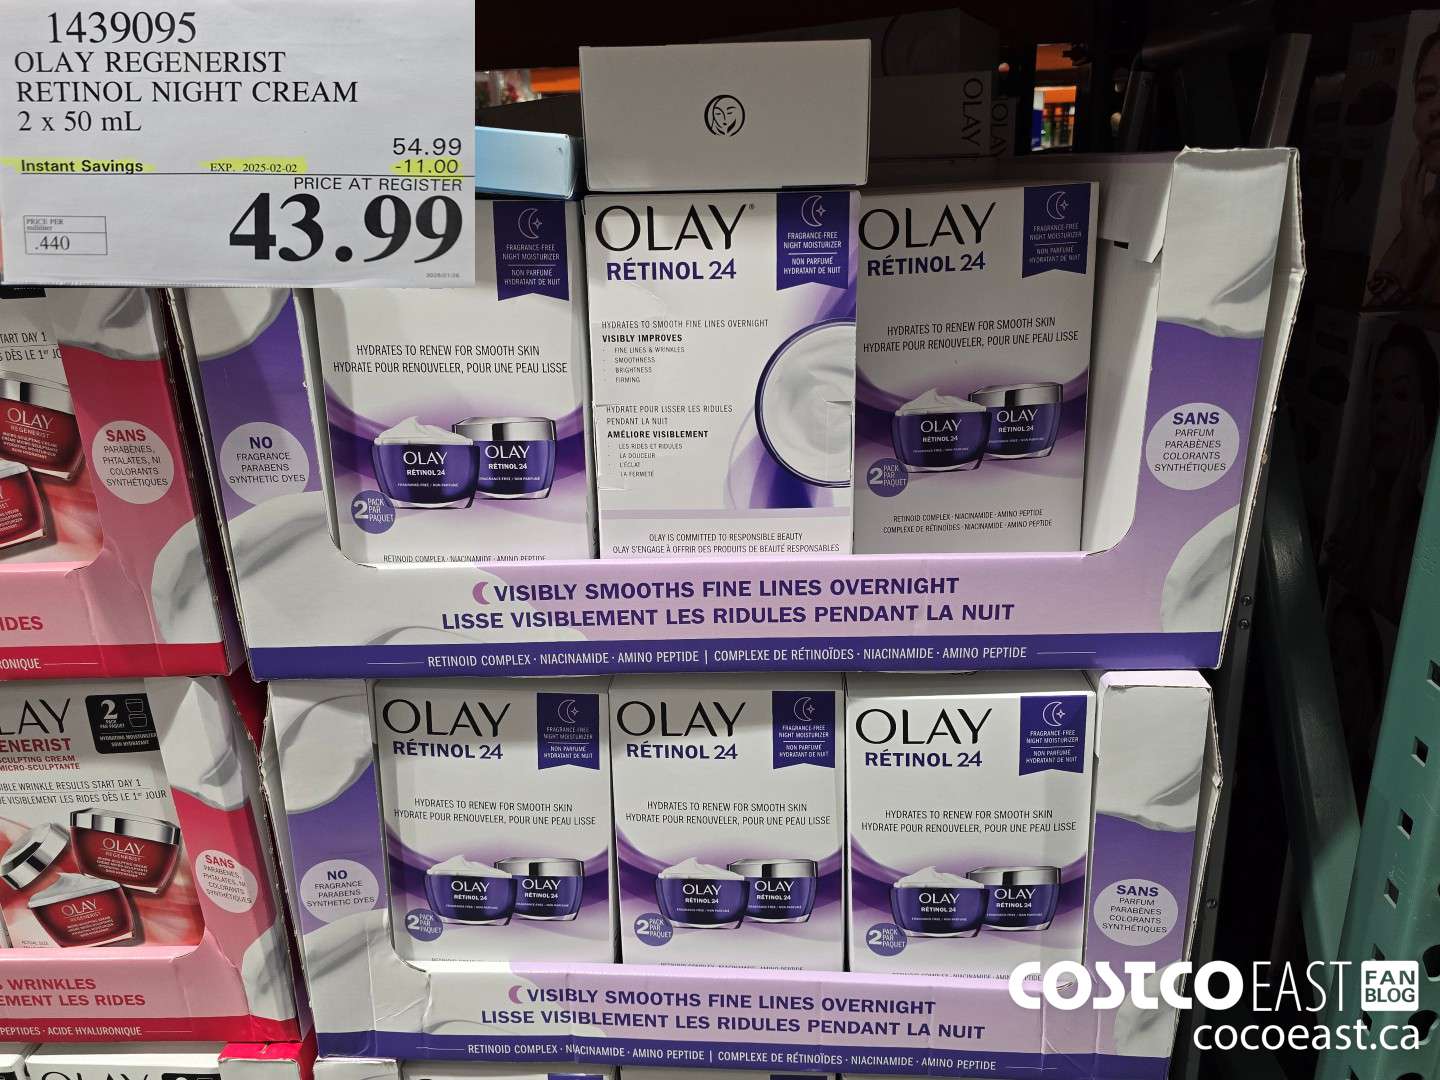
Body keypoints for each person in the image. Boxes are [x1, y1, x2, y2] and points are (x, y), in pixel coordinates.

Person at [1322, 323, 1440, 621]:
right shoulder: (1356, 508)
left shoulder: (1424, 534)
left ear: (1425, 416)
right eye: (1376, 395)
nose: (1382, 411)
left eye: (1400, 394)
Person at [1368, 30, 1440, 307]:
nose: (1435, 108)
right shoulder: (1426, 215)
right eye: (1426, 94)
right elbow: (1369, 324)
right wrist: (1414, 255)